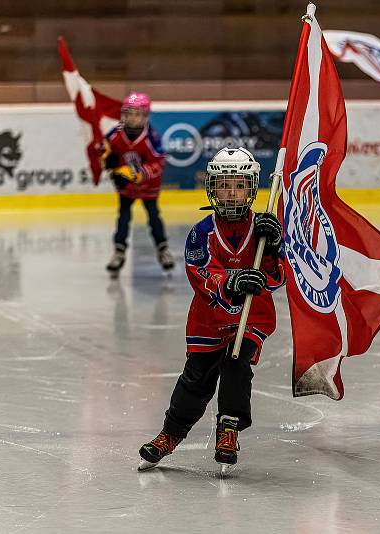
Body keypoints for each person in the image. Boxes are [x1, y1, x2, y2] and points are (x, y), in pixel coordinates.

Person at [138, 147, 285, 471]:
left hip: (251, 318)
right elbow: (200, 274)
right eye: (224, 185)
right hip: (209, 320)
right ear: (212, 188)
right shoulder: (202, 233)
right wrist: (231, 281)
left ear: (251, 188)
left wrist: (275, 248)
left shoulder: (264, 231)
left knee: (236, 365)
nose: (231, 193)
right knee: (196, 378)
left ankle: (228, 429)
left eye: (239, 185)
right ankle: (170, 434)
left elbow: (276, 280)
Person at [102, 92, 174, 277]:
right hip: (126, 187)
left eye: (137, 114)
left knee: (153, 216)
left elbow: (159, 163)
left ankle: (163, 249)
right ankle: (119, 251)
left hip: (148, 186)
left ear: (145, 116)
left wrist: (136, 175)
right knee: (123, 217)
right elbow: (105, 152)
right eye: (129, 113)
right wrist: (109, 165)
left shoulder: (152, 137)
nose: (132, 118)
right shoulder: (115, 134)